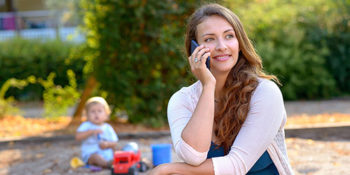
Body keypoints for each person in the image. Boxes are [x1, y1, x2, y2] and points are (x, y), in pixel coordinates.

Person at [149, 3, 293, 175]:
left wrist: (167, 168)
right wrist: (208, 86)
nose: (221, 46)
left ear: (239, 43)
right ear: (194, 48)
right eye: (209, 39)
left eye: (229, 36)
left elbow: (237, 165)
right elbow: (193, 157)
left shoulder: (265, 92)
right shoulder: (182, 100)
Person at [75, 96, 118, 168]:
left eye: (99, 111)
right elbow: (78, 137)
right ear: (87, 115)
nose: (96, 114)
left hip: (106, 153)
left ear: (106, 115)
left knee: (116, 151)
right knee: (95, 158)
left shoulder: (108, 127)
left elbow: (114, 142)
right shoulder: (86, 125)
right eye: (93, 111)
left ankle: (113, 162)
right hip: (91, 154)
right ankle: (107, 164)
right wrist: (91, 132)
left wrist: (107, 144)